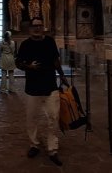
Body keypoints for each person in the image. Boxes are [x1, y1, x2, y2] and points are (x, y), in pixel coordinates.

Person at [15, 18, 69, 166]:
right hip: (32, 88)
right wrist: (28, 67)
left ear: (43, 27)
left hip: (50, 86)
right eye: (34, 26)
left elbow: (55, 60)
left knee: (53, 117)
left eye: (40, 25)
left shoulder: (50, 42)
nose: (37, 28)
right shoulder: (25, 44)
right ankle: (34, 145)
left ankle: (53, 149)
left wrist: (62, 75)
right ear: (30, 28)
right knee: (31, 118)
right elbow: (18, 63)